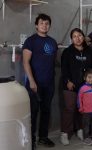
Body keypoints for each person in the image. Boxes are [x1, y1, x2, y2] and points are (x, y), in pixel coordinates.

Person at [22, 13, 57, 149]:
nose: (44, 25)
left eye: (47, 23)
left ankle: (43, 137)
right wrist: (31, 81)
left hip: (49, 83)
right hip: (34, 83)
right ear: (37, 25)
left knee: (46, 111)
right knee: (33, 112)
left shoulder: (52, 42)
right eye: (42, 23)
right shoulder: (31, 41)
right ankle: (31, 140)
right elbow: (26, 62)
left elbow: (51, 62)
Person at [60, 28, 92, 145]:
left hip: (85, 87)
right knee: (69, 109)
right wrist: (68, 81)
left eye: (80, 35)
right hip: (70, 86)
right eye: (75, 36)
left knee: (82, 110)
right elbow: (64, 69)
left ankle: (80, 130)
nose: (78, 38)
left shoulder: (89, 51)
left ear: (83, 37)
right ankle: (65, 133)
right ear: (72, 39)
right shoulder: (67, 52)